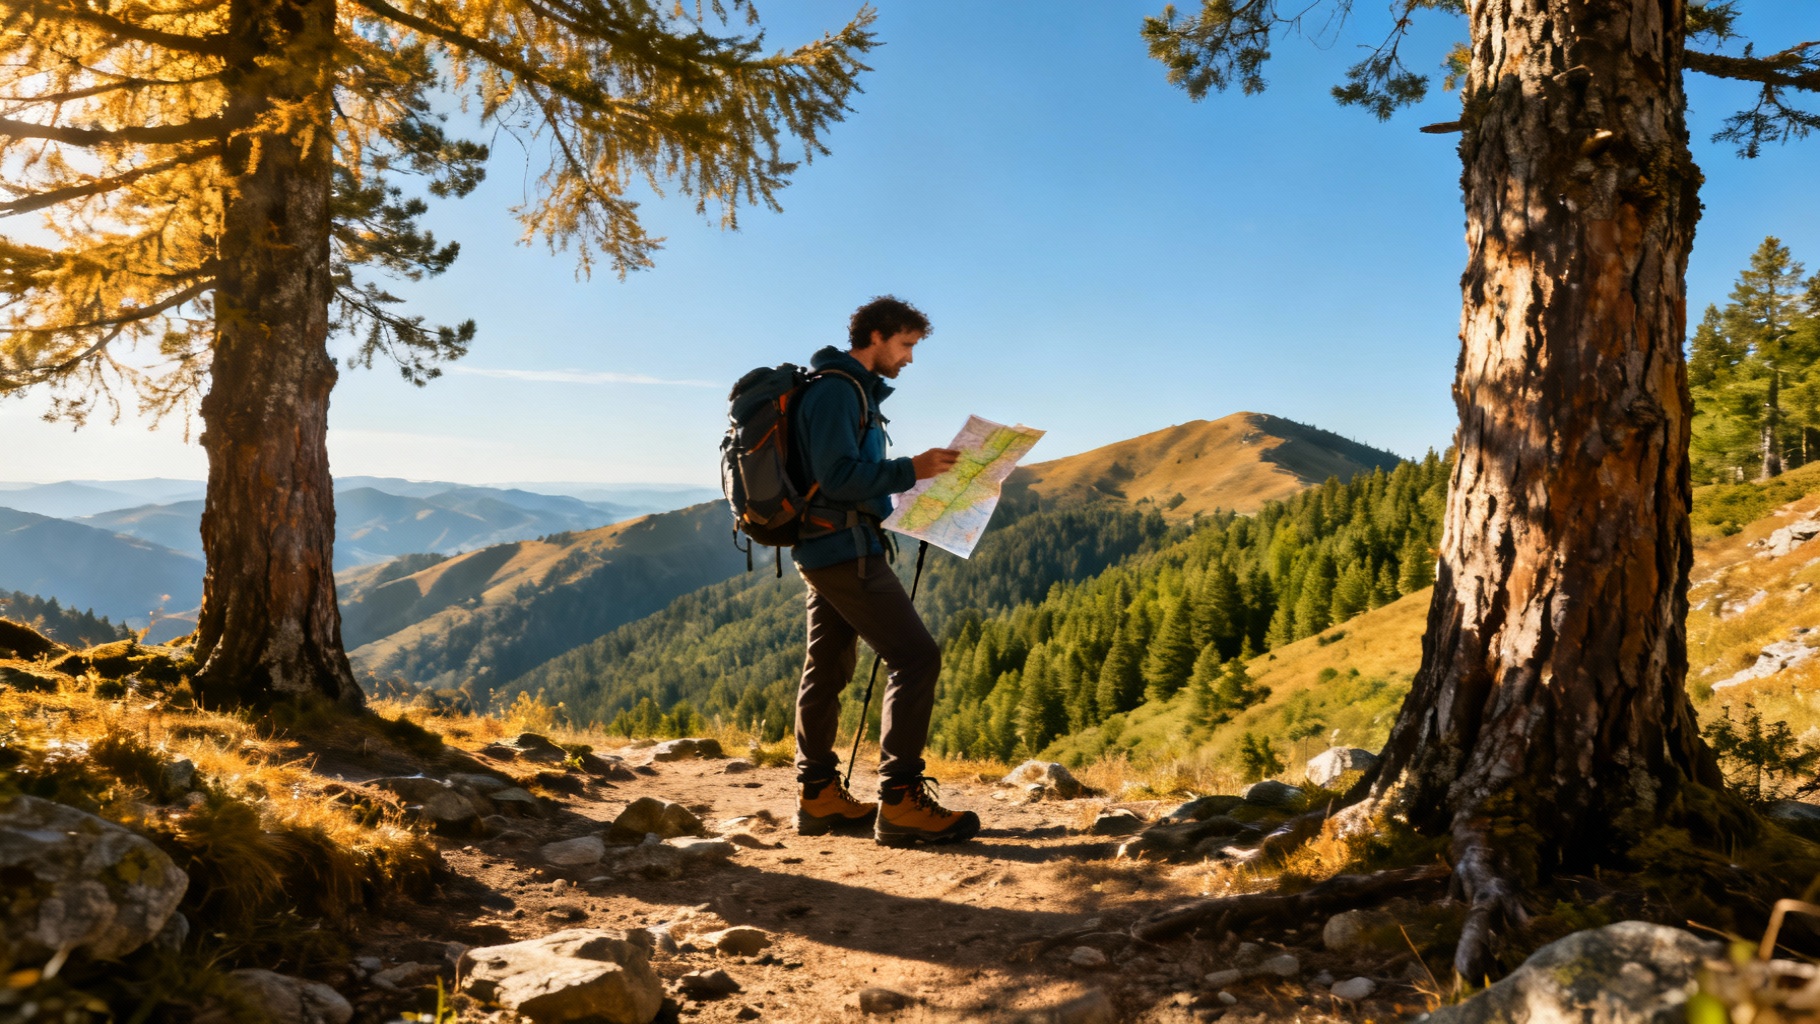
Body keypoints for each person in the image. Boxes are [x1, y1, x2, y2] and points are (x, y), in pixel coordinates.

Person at [790, 295, 981, 846]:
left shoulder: (852, 392)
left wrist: (915, 479)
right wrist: (909, 468)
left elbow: (854, 477)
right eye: (906, 345)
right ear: (875, 337)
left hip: (835, 546)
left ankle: (819, 797)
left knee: (827, 667)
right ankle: (900, 801)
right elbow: (837, 478)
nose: (910, 358)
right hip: (843, 550)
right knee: (917, 658)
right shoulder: (834, 390)